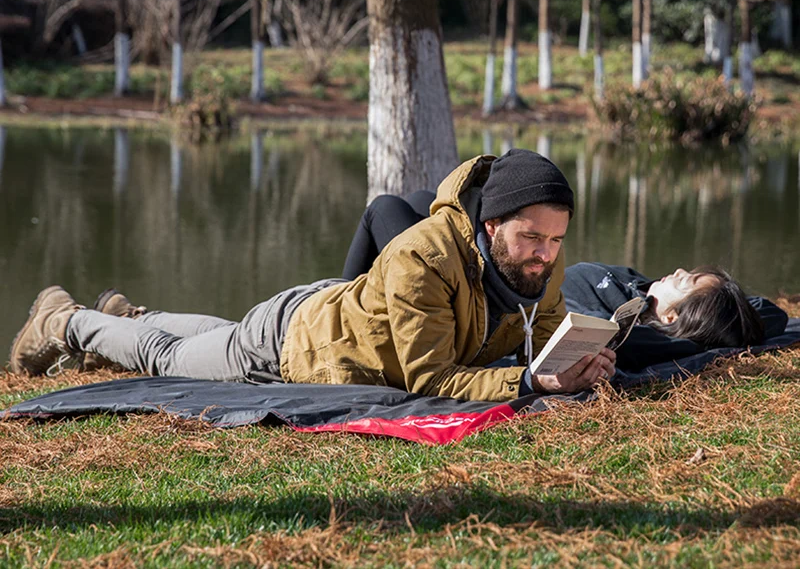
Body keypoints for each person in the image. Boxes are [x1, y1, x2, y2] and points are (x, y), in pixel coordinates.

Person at [9, 150, 616, 401]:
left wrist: (575, 365)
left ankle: (129, 316)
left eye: (556, 239)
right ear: (490, 228)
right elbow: (431, 378)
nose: (545, 254)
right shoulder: (422, 258)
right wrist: (529, 384)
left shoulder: (541, 263)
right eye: (532, 237)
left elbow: (550, 335)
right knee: (170, 358)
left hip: (331, 315)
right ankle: (68, 320)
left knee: (206, 337)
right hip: (294, 343)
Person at [339, 194, 787, 370]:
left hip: (491, 284)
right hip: (505, 261)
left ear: (672, 316)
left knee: (384, 208)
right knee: (425, 203)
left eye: (685, 281)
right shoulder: (641, 289)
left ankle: (343, 305)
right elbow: (773, 313)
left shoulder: (621, 330)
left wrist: (689, 345)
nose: (676, 271)